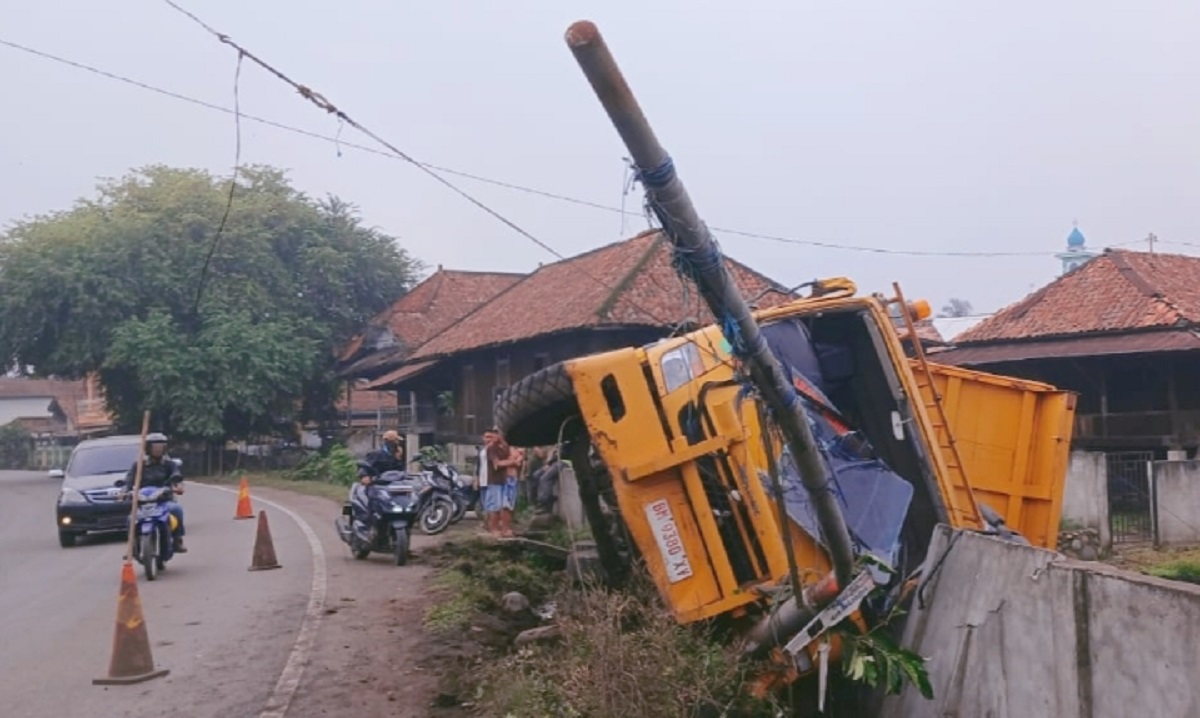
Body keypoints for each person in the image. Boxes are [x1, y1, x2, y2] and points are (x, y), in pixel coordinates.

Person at [126, 432, 187, 553]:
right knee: (130, 519)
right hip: (142, 502)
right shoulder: (138, 465)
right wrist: (125, 492)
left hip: (163, 500)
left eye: (161, 447)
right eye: (155, 447)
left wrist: (178, 486)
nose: (158, 450)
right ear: (148, 448)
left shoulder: (169, 465)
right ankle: (132, 545)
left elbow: (177, 476)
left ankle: (177, 541)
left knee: (177, 509)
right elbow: (129, 481)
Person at [483, 429, 522, 538]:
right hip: (495, 480)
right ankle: (494, 529)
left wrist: (512, 461)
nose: (495, 435)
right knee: (494, 506)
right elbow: (497, 464)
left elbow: (519, 458)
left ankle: (506, 529)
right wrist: (512, 461)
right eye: (494, 434)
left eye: (497, 433)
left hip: (506, 479)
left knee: (507, 506)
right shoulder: (491, 448)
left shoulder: (506, 447)